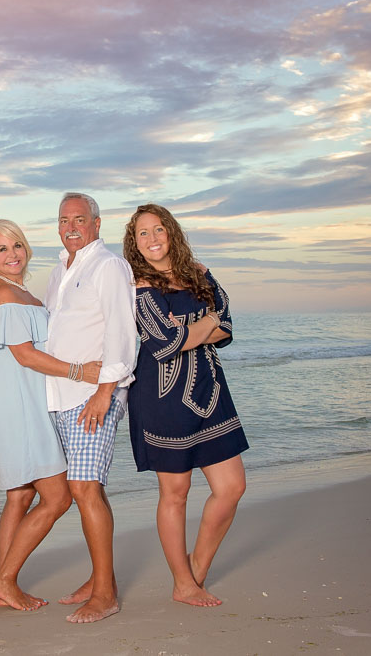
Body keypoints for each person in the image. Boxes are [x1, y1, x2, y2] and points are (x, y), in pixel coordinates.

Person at [122, 204, 248, 607]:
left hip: (212, 393)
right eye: (143, 233)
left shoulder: (198, 271)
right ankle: (182, 583)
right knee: (176, 492)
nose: (152, 238)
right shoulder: (139, 286)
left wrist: (200, 327)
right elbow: (164, 344)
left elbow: (226, 324)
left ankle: (197, 567)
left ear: (171, 232)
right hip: (163, 398)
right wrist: (203, 323)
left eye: (158, 229)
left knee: (232, 488)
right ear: (134, 243)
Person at [0, 219, 102, 611]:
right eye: (2, 249)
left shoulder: (20, 292)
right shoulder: (4, 295)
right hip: (24, 408)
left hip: (26, 402)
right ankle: (5, 579)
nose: (12, 253)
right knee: (58, 498)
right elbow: (25, 355)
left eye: (16, 245)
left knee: (20, 496)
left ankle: (3, 590)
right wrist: (81, 371)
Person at [44, 192, 138, 623]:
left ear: (97, 224)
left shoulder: (109, 266)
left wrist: (105, 391)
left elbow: (122, 331)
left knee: (83, 488)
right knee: (90, 489)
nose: (71, 227)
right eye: (64, 220)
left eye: (80, 219)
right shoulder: (59, 270)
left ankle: (105, 595)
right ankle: (103, 578)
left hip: (93, 396)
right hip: (60, 396)